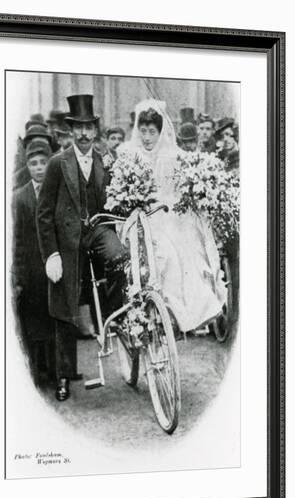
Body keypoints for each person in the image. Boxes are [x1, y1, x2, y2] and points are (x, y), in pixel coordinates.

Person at [37, 94, 127, 401]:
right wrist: (51, 253)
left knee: (121, 258)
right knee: (65, 307)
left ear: (95, 130)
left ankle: (116, 315)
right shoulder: (56, 164)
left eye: (90, 127)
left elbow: (115, 202)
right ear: (71, 130)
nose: (85, 134)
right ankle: (63, 376)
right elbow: (44, 214)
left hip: (98, 230)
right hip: (67, 242)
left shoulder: (104, 161)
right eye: (79, 128)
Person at [120, 99, 227, 333]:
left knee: (186, 253)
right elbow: (122, 193)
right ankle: (159, 311)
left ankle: (180, 317)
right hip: (140, 219)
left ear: (160, 132)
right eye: (143, 131)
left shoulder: (172, 156)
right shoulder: (128, 155)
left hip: (166, 216)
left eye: (152, 132)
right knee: (165, 254)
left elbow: (181, 187)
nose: (147, 137)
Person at [12, 140, 55, 386]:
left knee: (51, 323)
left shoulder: (57, 191)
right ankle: (35, 374)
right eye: (33, 163)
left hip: (52, 267)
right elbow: (16, 238)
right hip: (31, 270)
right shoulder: (19, 198)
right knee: (32, 325)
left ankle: (54, 372)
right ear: (27, 166)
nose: (38, 168)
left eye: (43, 163)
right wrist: (18, 274)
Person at [13, 124, 53, 189]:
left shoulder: (58, 169)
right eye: (35, 143)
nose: (40, 147)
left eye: (44, 143)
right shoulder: (20, 177)